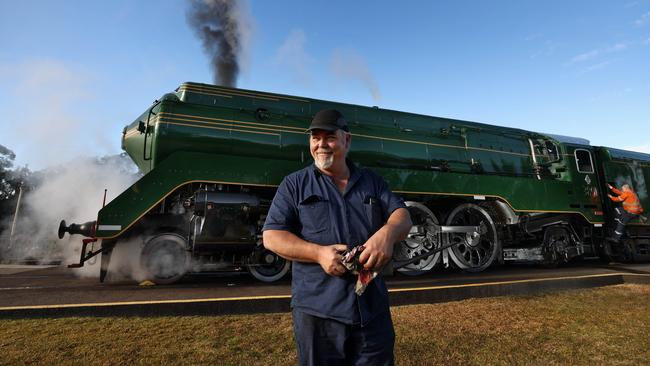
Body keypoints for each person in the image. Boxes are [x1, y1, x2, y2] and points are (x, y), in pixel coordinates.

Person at [262, 108, 412, 366]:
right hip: (319, 315)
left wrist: (387, 234)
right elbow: (272, 236)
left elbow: (402, 216)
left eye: (329, 137)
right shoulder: (294, 184)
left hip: (372, 312)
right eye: (314, 138)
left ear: (347, 140)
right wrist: (318, 253)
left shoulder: (372, 181)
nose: (321, 145)